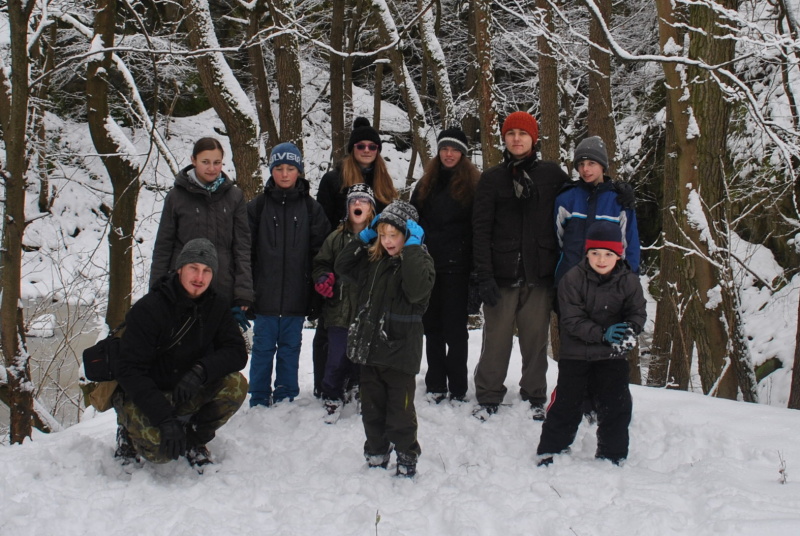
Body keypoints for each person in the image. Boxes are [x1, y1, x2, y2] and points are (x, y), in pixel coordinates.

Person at [114, 238, 248, 469]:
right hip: (147, 392)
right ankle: (127, 433)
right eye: (193, 268)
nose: (199, 278)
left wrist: (201, 371)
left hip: (186, 390)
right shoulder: (149, 308)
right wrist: (164, 419)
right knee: (160, 454)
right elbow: (129, 371)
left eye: (207, 271)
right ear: (179, 269)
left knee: (236, 385)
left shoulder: (216, 306)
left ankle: (193, 440)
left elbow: (237, 352)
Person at [471, 111, 569, 420]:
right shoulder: (491, 179)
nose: (516, 138)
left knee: (535, 339)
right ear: (504, 138)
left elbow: (576, 206)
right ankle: (488, 394)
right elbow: (481, 229)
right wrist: (483, 275)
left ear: (534, 138)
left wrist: (611, 190)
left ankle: (534, 394)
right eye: (511, 133)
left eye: (522, 134)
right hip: (501, 274)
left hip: (539, 274)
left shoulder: (553, 176)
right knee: (496, 340)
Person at [335, 200, 434, 477]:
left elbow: (416, 291)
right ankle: (376, 452)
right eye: (383, 234)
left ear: (409, 235)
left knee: (400, 414)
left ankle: (406, 455)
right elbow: (343, 266)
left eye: (395, 235)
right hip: (370, 350)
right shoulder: (373, 260)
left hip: (400, 353)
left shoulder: (420, 261)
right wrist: (362, 237)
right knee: (372, 410)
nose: (388, 241)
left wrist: (413, 248)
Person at [536, 221, 646, 466]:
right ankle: (551, 449)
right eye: (595, 253)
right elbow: (572, 320)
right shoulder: (572, 279)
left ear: (618, 255)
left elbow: (638, 312)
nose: (601, 259)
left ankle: (612, 454)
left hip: (612, 357)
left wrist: (630, 330)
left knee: (617, 406)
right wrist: (603, 333)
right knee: (566, 404)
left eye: (608, 254)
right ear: (587, 253)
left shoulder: (629, 281)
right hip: (576, 355)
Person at [312, 117, 398, 399]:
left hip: (371, 260)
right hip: (339, 259)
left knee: (365, 329)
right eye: (360, 145)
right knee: (333, 334)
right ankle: (326, 385)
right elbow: (321, 223)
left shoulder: (383, 181)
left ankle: (361, 382)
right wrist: (332, 264)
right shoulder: (333, 179)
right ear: (352, 148)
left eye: (372, 146)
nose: (366, 150)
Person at [247, 142, 330, 407]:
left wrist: (316, 292)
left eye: (290, 168)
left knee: (290, 349)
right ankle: (258, 397)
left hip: (296, 296)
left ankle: (285, 396)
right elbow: (245, 253)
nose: (284, 174)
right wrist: (245, 292)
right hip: (264, 297)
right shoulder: (257, 207)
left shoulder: (311, 209)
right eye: (279, 168)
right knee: (261, 350)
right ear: (271, 171)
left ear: (299, 171)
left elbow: (321, 254)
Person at [150, 137, 254, 331]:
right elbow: (163, 246)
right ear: (194, 160)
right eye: (205, 162)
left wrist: (243, 293)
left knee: (218, 355)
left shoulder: (235, 196)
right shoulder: (176, 197)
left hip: (222, 287)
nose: (211, 168)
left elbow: (242, 248)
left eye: (217, 162)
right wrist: (157, 291)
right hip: (182, 289)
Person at [410, 127, 480, 403]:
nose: (448, 154)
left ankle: (459, 385)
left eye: (454, 149)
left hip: (458, 268)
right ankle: (436, 383)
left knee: (456, 331)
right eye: (444, 149)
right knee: (432, 328)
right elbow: (412, 222)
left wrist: (476, 272)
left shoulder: (474, 186)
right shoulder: (425, 184)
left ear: (463, 154)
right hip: (430, 267)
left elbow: (478, 228)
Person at [312, 184, 376, 422]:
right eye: (353, 201)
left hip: (366, 312)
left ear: (371, 209)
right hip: (338, 310)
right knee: (336, 356)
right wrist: (322, 277)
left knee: (363, 357)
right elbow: (321, 262)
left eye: (364, 201)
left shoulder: (380, 238)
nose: (358, 205)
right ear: (348, 208)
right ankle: (331, 394)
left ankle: (360, 389)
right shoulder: (336, 237)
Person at [554, 135, 639, 286]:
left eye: (591, 163)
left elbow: (630, 245)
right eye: (581, 164)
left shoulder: (619, 200)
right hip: (569, 281)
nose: (585, 169)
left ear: (602, 166)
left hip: (608, 284)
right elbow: (556, 241)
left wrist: (630, 280)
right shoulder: (566, 199)